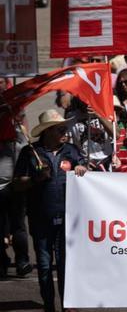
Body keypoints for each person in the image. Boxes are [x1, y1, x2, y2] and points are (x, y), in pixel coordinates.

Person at [13, 110, 87, 312]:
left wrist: (82, 170)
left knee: (66, 267)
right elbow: (17, 184)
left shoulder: (71, 150)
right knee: (45, 267)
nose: (65, 132)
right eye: (60, 129)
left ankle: (67, 306)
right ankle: (48, 306)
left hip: (67, 219)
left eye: (65, 128)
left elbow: (85, 170)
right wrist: (36, 178)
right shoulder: (30, 152)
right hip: (40, 219)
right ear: (47, 132)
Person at [0, 111, 31, 279]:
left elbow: (27, 150)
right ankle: (2, 261)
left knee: (18, 226)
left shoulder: (18, 134)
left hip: (15, 186)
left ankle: (22, 260)